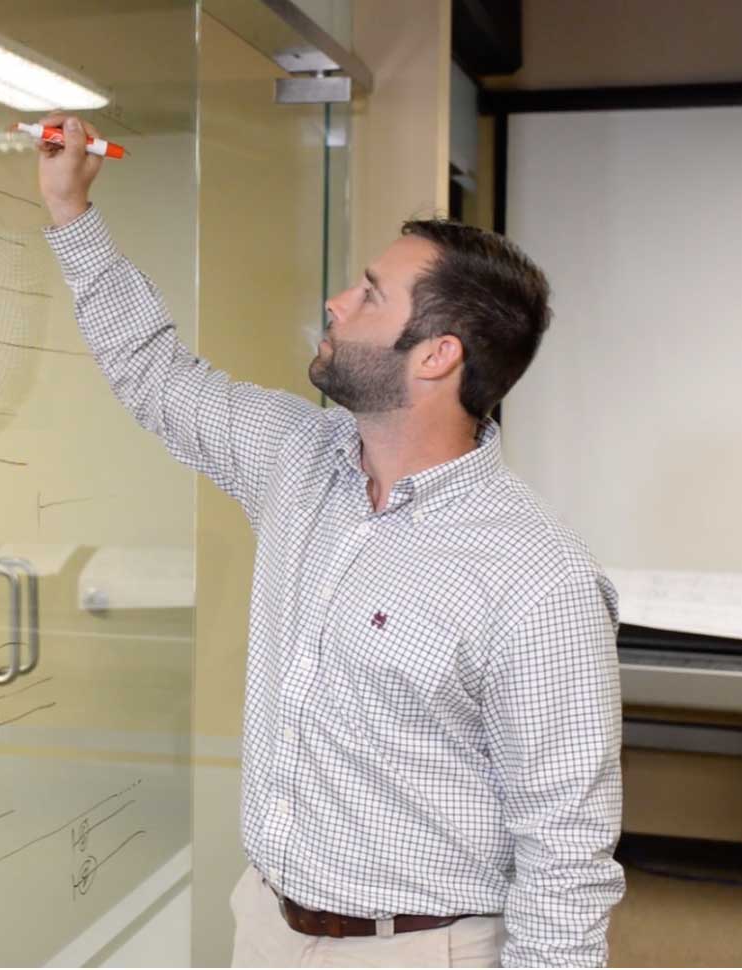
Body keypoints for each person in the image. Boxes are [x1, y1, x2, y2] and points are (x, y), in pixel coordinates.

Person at [35, 114, 625, 968]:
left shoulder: (538, 579)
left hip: (420, 951)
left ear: (436, 357)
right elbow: (153, 371)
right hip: (267, 925)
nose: (337, 302)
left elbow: (565, 856)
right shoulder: (295, 460)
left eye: (370, 294)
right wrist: (71, 213)